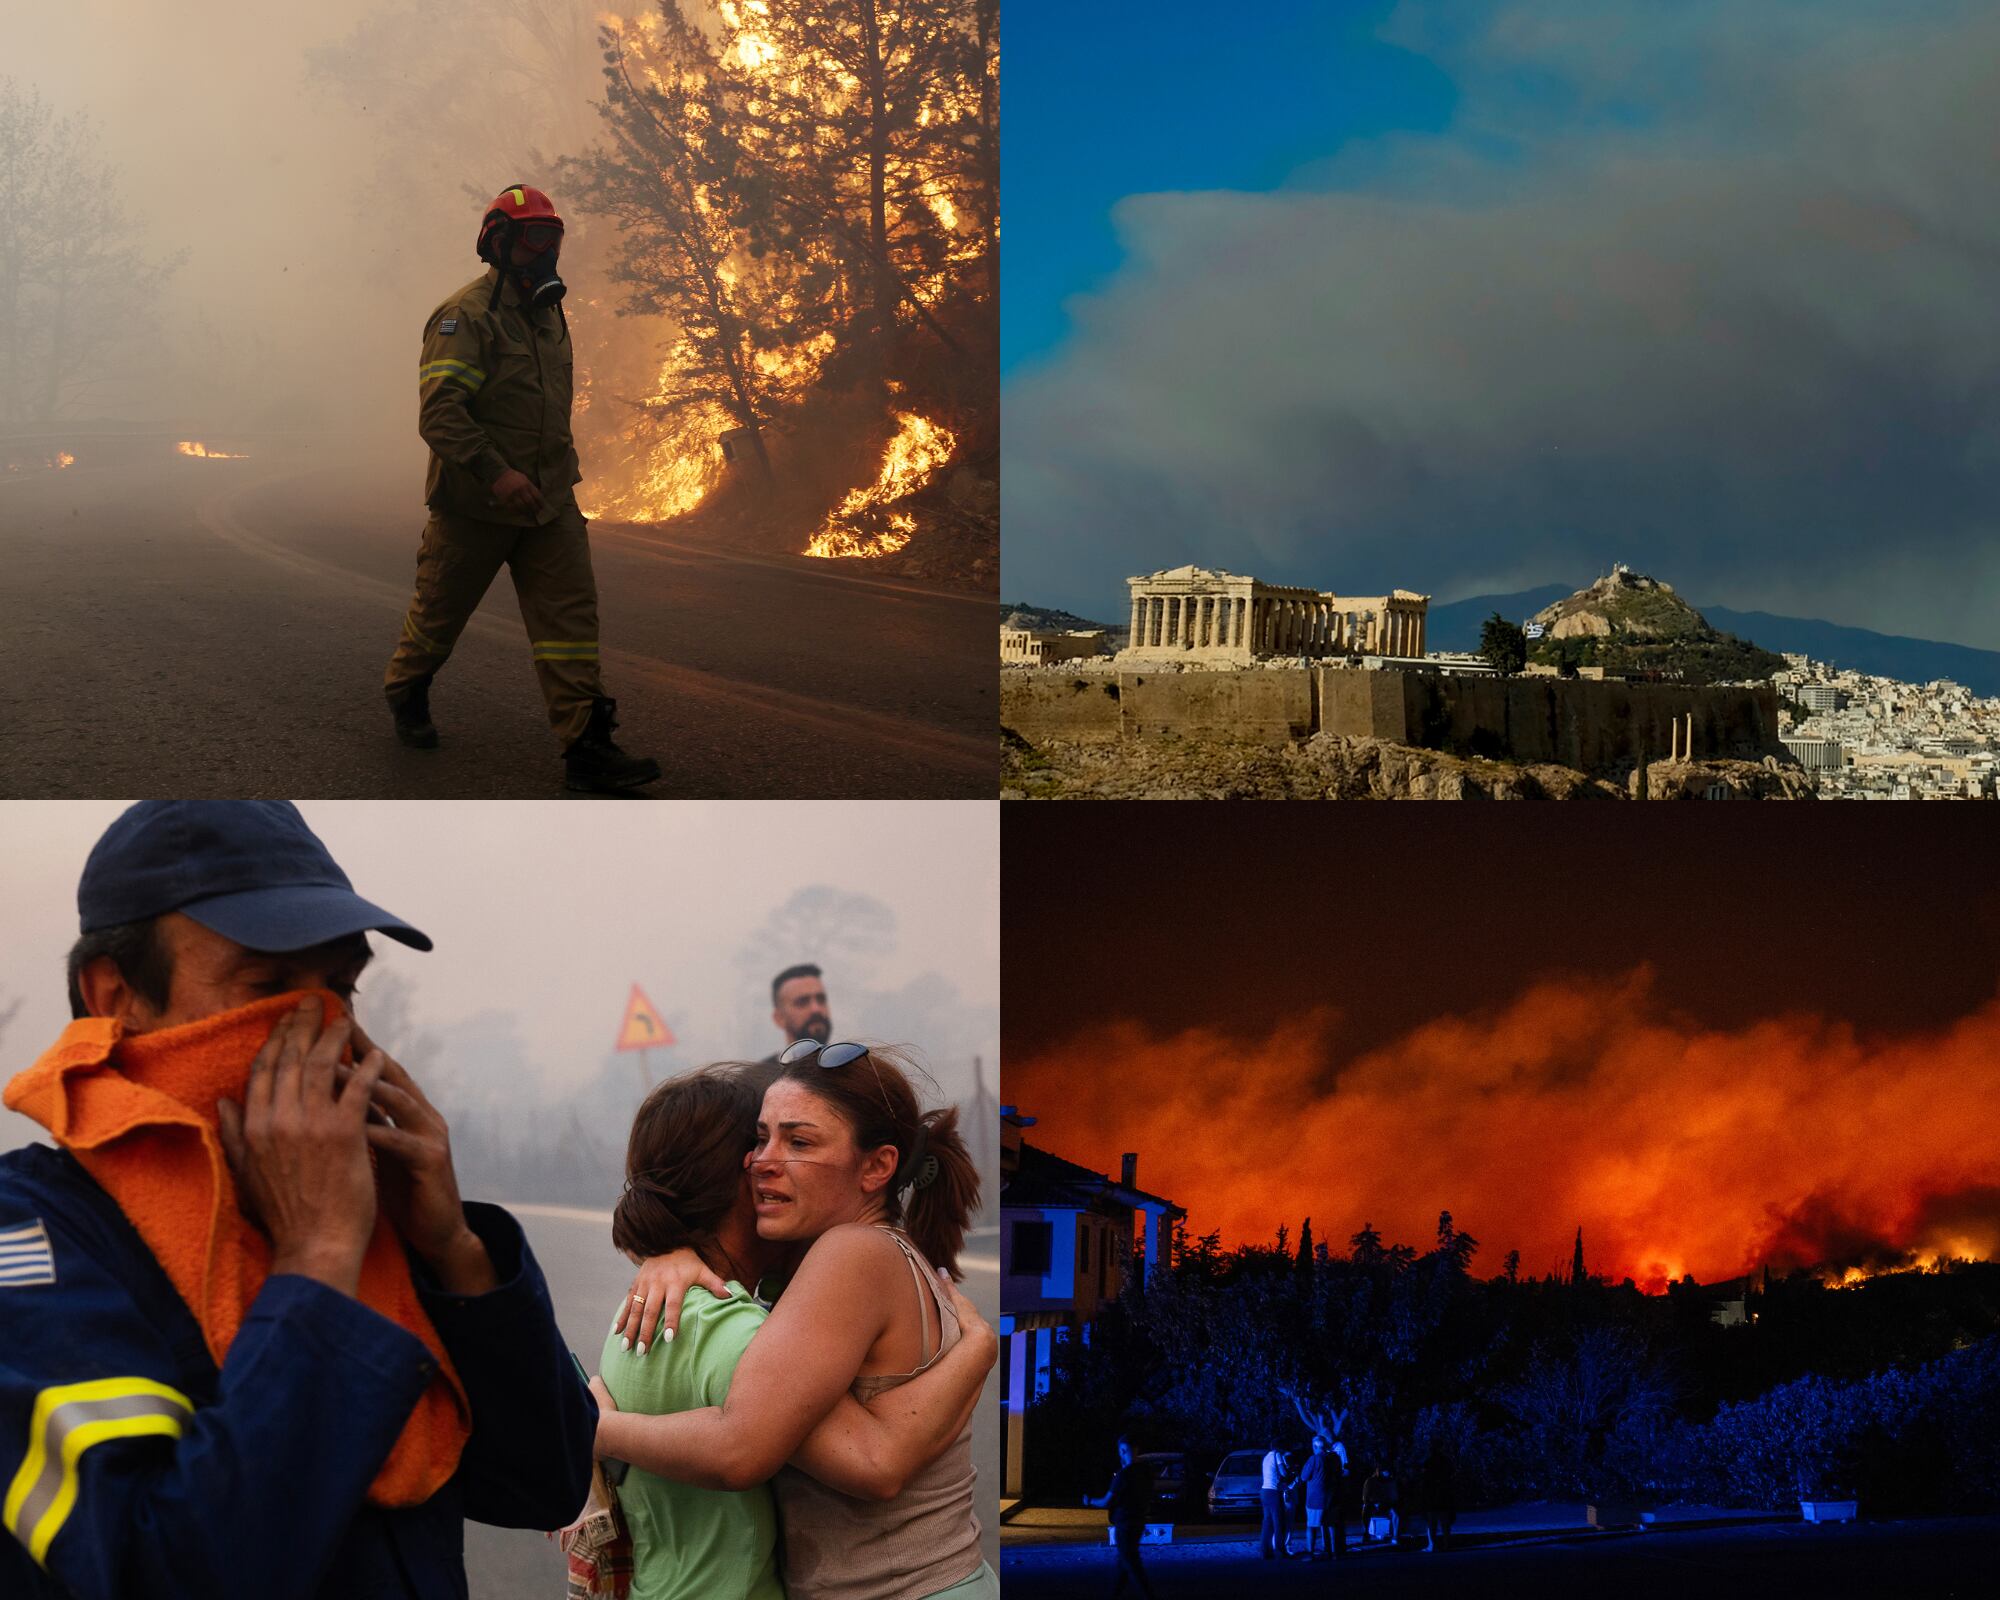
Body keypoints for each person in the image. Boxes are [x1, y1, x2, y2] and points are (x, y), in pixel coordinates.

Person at [0, 801, 595, 1598]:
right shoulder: (35, 1231)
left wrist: (454, 1252)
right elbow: (158, 1573)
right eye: (268, 985)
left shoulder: (369, 1205)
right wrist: (315, 1263)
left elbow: (543, 1482)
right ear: (114, 997)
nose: (317, 1023)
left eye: (340, 986)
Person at [589, 1042, 995, 1599]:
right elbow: (725, 1256)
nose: (762, 1159)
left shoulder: (852, 1253)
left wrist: (593, 1427)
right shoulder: (829, 1258)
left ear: (877, 1167)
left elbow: (742, 1449)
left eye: (798, 1141)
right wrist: (672, 1252)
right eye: (761, 1137)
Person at [381, 182, 660, 794]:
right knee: (438, 618)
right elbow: (440, 414)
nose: (547, 253)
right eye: (535, 238)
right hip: (475, 506)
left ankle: (587, 750)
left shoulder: (550, 316)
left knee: (570, 626)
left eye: (554, 239)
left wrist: (551, 476)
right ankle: (408, 687)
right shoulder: (464, 318)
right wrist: (496, 472)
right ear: (498, 243)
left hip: (551, 502)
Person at [1082, 1437, 1157, 1600]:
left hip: (1124, 1524)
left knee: (1132, 1565)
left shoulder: (1123, 1476)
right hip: (1138, 1521)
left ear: (1126, 1450)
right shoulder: (1145, 1473)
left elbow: (1106, 1502)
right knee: (1124, 1563)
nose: (1122, 1453)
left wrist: (1089, 1501)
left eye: (1124, 1450)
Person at [760, 964, 833, 1067]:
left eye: (821, 999)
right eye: (802, 1002)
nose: (816, 1009)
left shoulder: (850, 1069)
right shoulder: (758, 1080)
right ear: (779, 1018)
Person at [1296, 1435, 1336, 1561]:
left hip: (1315, 1498)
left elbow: (1304, 1477)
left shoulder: (1314, 1459)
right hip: (1331, 1496)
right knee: (1329, 1525)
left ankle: (1310, 1553)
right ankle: (1333, 1552)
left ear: (1314, 1446)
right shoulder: (1334, 1458)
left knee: (1312, 1526)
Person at [1362, 1463, 1400, 1547]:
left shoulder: (1391, 1481)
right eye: (1384, 1471)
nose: (1386, 1473)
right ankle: (1366, 1533)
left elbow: (1394, 1497)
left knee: (1395, 1513)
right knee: (1366, 1508)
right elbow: (1365, 1498)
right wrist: (1375, 1502)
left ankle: (1395, 1536)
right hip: (1373, 1505)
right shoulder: (1370, 1481)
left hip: (1386, 1504)